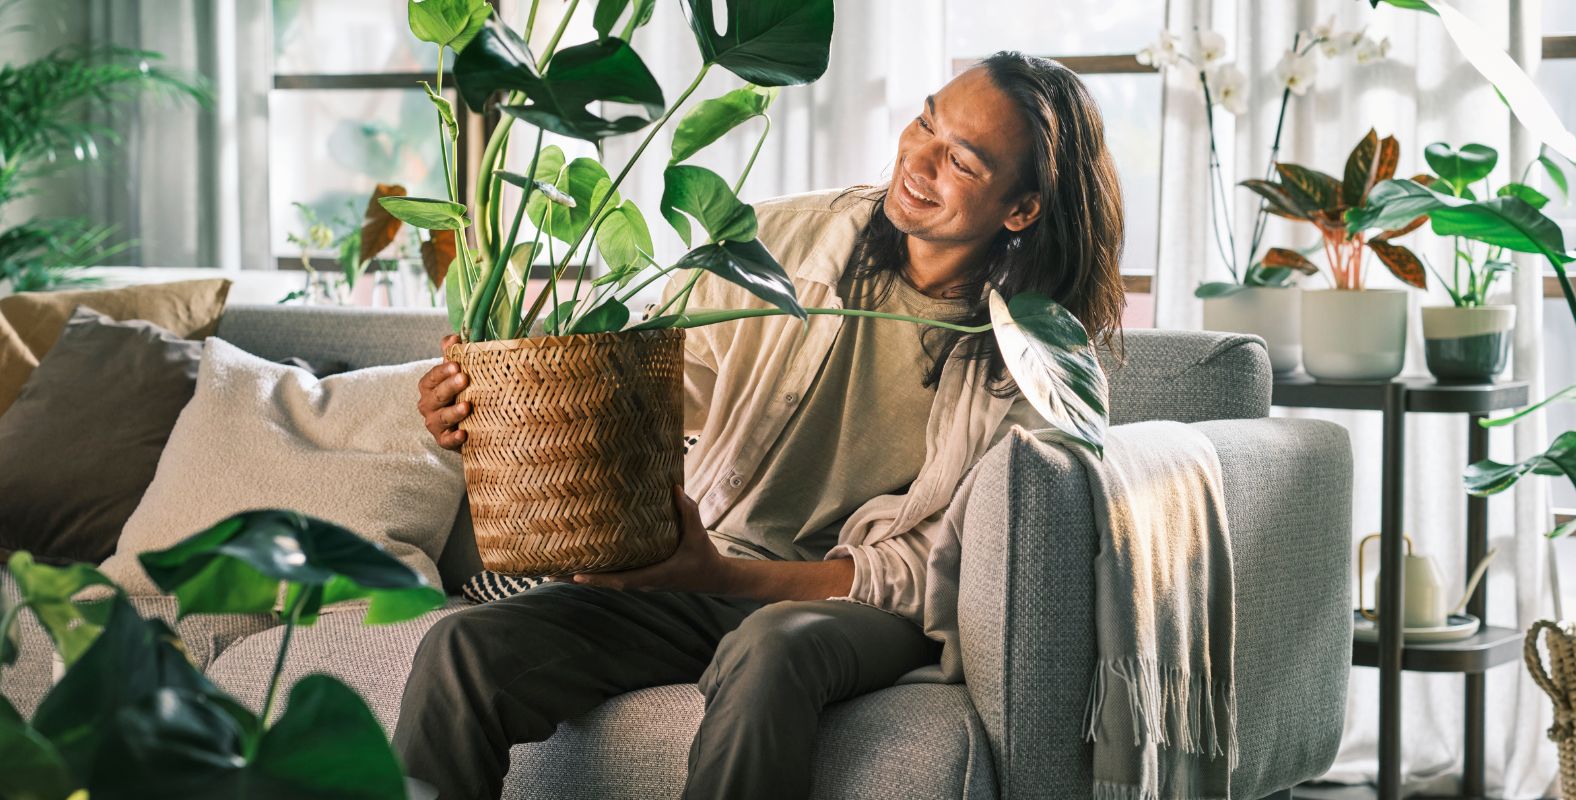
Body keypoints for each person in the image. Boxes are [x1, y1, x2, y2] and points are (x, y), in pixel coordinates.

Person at [395, 51, 1125, 800]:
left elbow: (929, 577)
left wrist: (726, 576)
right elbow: (654, 392)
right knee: (463, 646)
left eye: (961, 163)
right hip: (706, 566)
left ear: (1022, 209)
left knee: (773, 646)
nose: (919, 159)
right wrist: (493, 410)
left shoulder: (1031, 364)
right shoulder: (781, 241)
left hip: (858, 606)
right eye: (926, 122)